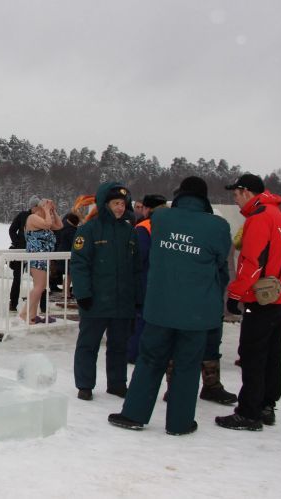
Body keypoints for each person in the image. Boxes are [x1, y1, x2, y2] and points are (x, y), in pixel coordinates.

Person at [107, 177, 230, 435]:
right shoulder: (218, 226)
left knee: (149, 360)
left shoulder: (162, 219)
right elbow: (220, 262)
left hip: (160, 307)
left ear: (180, 194)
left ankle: (134, 414)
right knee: (187, 366)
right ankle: (180, 422)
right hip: (197, 312)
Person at [216, 173, 281, 431]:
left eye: (236, 195)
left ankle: (249, 412)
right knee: (273, 351)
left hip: (263, 296)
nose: (236, 201)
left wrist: (236, 295)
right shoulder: (280, 215)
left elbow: (252, 263)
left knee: (252, 353)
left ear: (246, 192)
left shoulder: (260, 218)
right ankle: (266, 404)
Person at [72, 182, 141, 400]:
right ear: (104, 204)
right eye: (116, 203)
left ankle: (117, 383)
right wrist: (83, 294)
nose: (120, 208)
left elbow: (136, 268)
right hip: (96, 301)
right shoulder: (88, 230)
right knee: (88, 345)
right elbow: (79, 264)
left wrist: (137, 297)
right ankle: (85, 384)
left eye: (123, 204)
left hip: (122, 302)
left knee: (119, 346)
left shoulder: (130, 231)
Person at [127, 194, 167, 363]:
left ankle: (134, 354)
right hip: (164, 280)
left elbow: (137, 257)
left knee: (139, 320)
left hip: (145, 280)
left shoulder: (144, 227)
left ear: (146, 209)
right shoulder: (171, 225)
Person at [19, 199, 63, 324]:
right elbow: (48, 224)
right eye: (47, 207)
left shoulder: (44, 219)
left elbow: (59, 226)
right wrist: (46, 209)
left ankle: (32, 317)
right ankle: (24, 313)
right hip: (36, 257)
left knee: (41, 287)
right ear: (40, 207)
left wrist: (53, 211)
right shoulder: (32, 218)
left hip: (43, 257)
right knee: (39, 287)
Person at [8, 195, 40, 312]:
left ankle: (41, 306)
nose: (38, 208)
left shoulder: (41, 217)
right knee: (17, 278)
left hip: (36, 252)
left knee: (39, 279)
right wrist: (17, 243)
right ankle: (13, 303)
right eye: (36, 206)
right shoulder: (22, 216)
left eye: (39, 206)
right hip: (21, 251)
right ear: (31, 206)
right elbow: (12, 230)